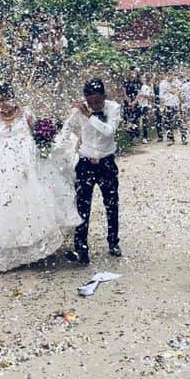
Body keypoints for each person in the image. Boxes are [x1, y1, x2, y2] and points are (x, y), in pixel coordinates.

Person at [0, 84, 76, 272]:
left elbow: (37, 133)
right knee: (4, 204)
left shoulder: (26, 114)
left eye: (7, 99)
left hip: (27, 164)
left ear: (14, 98)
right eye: (0, 101)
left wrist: (42, 139)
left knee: (33, 202)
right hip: (2, 165)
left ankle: (36, 249)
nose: (4, 104)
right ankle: (7, 250)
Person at [65, 78, 122, 264]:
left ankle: (113, 242)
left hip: (106, 162)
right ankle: (81, 248)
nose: (95, 105)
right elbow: (67, 127)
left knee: (111, 204)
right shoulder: (79, 109)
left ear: (105, 96)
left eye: (98, 101)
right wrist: (61, 143)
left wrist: (89, 115)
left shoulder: (114, 108)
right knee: (82, 206)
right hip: (85, 162)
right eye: (91, 102)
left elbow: (109, 131)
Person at [159, 71, 186, 145]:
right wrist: (162, 107)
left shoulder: (177, 82)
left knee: (179, 121)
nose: (172, 77)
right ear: (167, 75)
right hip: (167, 105)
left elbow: (180, 93)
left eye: (173, 75)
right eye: (170, 75)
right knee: (168, 123)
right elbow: (161, 96)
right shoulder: (162, 84)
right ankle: (171, 139)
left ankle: (183, 138)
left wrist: (181, 104)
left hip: (176, 104)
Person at [133, 73, 153, 144]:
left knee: (145, 121)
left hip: (144, 106)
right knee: (136, 121)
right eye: (141, 77)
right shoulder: (138, 86)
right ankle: (136, 136)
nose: (142, 79)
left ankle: (145, 137)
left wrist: (141, 95)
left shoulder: (146, 87)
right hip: (138, 105)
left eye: (143, 77)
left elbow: (148, 96)